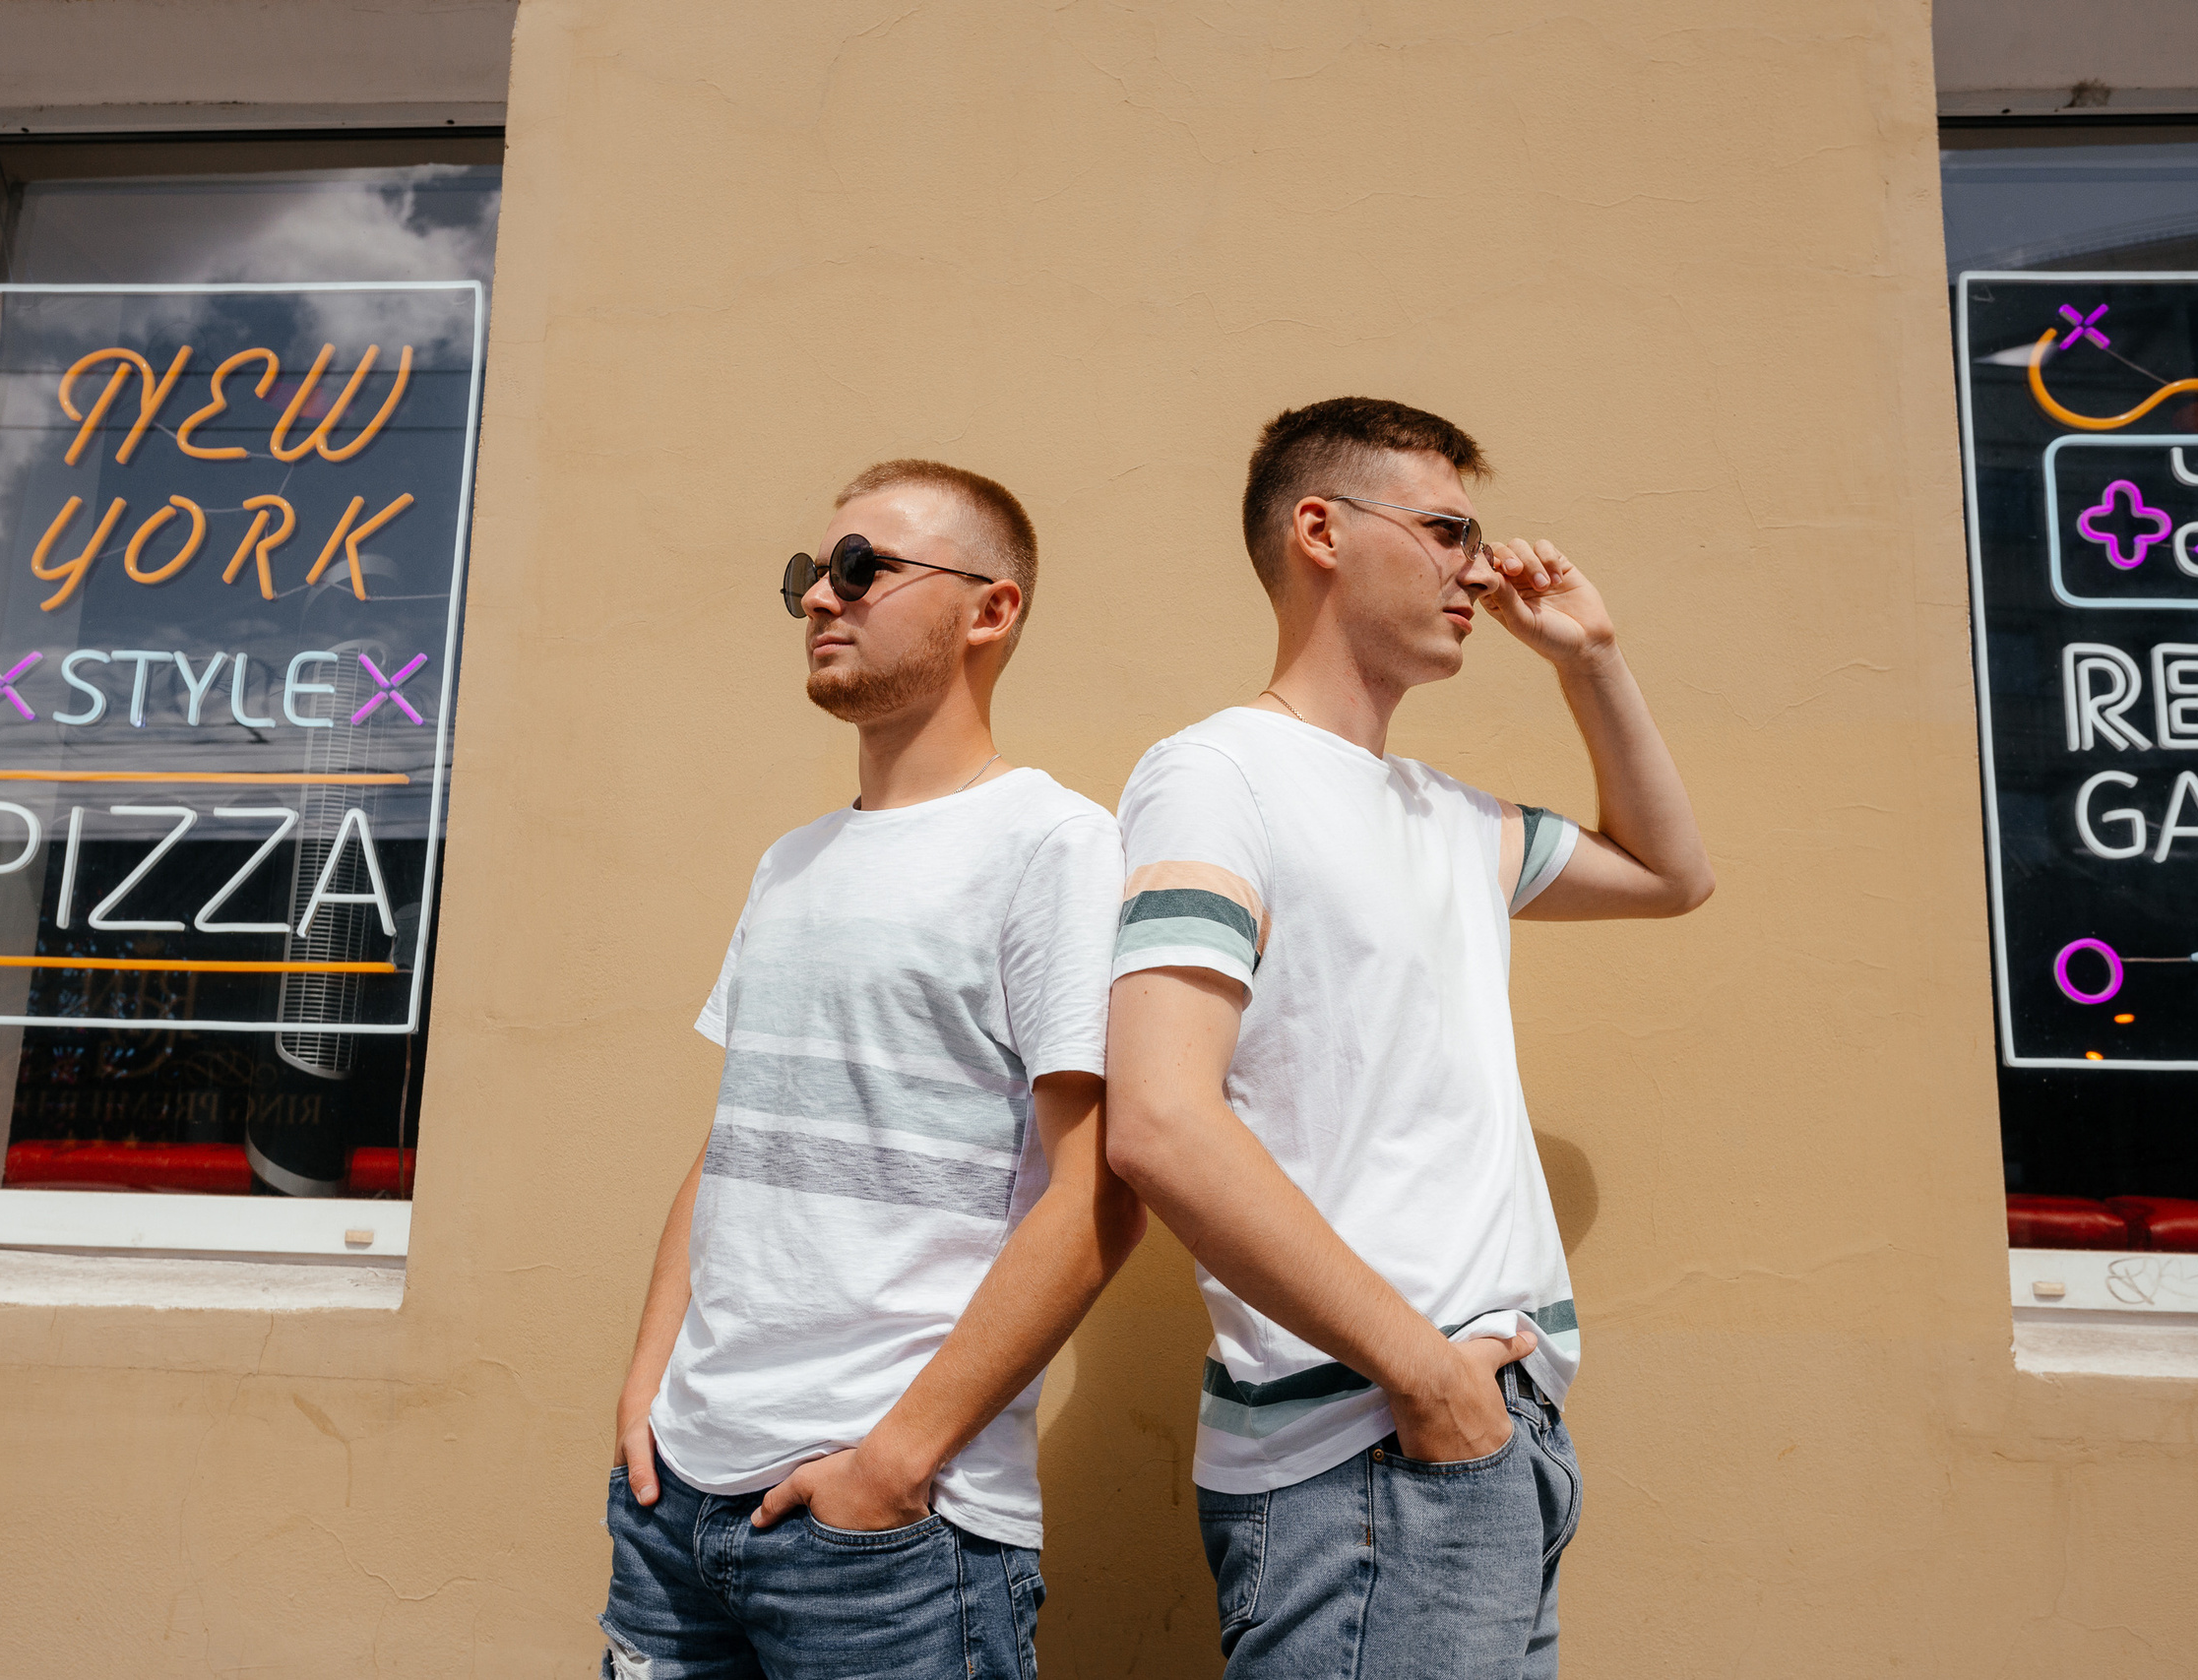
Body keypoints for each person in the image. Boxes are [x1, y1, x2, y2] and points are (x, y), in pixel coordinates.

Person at [1103, 397, 1714, 1676]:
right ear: (1320, 530)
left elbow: (1673, 874)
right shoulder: (1217, 774)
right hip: (1370, 1449)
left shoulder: (1450, 817)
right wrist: (1426, 1378)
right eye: (1446, 531)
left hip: (1489, 1438)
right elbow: (1158, 1120)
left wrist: (1590, 659)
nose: (1479, 571)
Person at [600, 460, 1143, 1680]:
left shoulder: (1053, 846)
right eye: (810, 572)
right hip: (674, 1505)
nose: (817, 597)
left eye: (860, 568)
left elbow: (1099, 1194)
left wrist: (896, 1462)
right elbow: (734, 1143)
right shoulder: (790, 863)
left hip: (886, 1538)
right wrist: (646, 1394)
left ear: (990, 610)